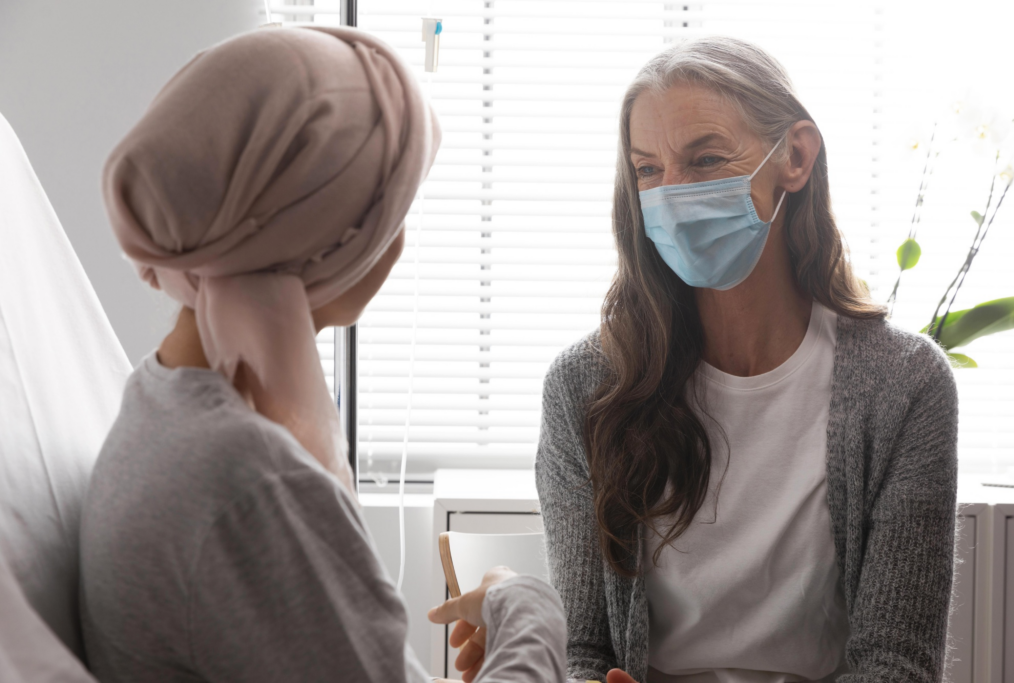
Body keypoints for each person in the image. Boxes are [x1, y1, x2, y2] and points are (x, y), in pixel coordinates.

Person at [79, 26, 566, 683]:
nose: (398, 242)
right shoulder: (250, 480)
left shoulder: (157, 402)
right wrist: (529, 607)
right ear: (337, 243)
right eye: (392, 209)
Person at [536, 36, 958, 683]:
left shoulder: (906, 385)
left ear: (795, 155)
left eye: (704, 159)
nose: (671, 196)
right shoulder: (585, 386)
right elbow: (588, 651)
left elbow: (896, 663)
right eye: (648, 170)